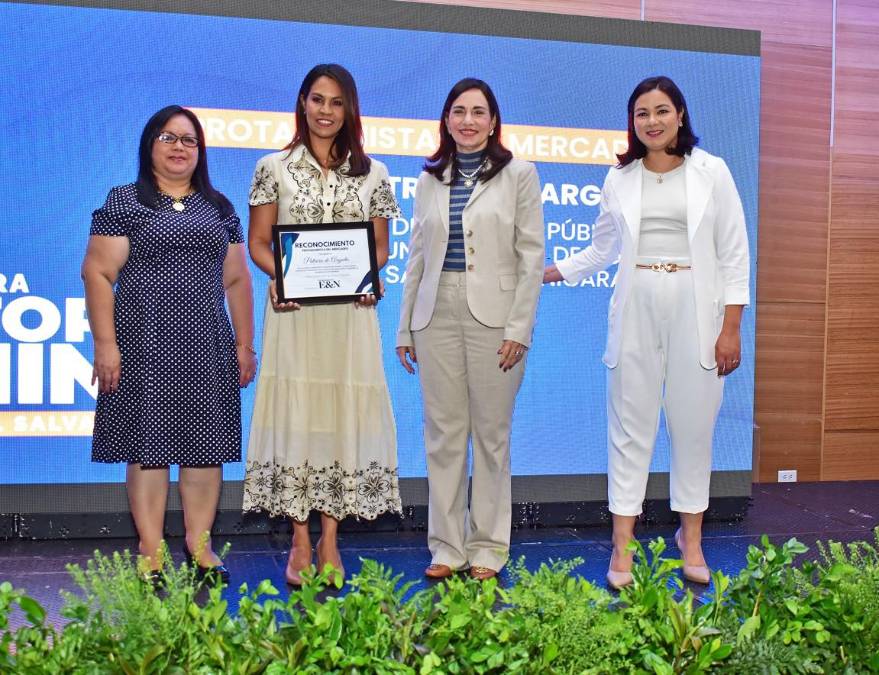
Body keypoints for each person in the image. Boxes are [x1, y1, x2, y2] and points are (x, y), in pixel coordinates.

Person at [544, 76, 750, 589]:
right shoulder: (621, 178)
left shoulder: (713, 172)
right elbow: (603, 249)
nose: (652, 121)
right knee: (630, 431)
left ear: (680, 114)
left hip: (695, 310)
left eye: (661, 110)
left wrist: (731, 329)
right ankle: (621, 547)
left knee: (692, 431)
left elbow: (735, 255)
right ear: (632, 122)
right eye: (641, 113)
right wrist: (553, 270)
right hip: (635, 305)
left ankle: (692, 540)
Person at [82, 104, 256, 585]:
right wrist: (105, 343)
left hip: (207, 344)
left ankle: (200, 547)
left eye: (189, 140)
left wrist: (245, 345)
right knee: (148, 450)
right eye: (168, 137)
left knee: (205, 450)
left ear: (200, 151)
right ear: (149, 146)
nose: (180, 147)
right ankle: (150, 549)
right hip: (142, 343)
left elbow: (237, 280)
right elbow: (97, 272)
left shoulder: (218, 207)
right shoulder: (126, 202)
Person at [243, 64, 402, 586]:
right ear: (303, 103)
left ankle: (331, 538)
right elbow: (260, 246)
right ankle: (300, 538)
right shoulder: (273, 167)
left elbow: (379, 247)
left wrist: (367, 276)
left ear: (349, 109)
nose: (326, 111)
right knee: (299, 415)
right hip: (294, 315)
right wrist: (283, 279)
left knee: (340, 418)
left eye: (336, 102)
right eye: (317, 100)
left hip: (350, 318)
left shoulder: (373, 172)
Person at [396, 78, 544, 581]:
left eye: (478, 112)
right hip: (436, 313)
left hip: (496, 318)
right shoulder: (430, 177)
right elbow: (416, 258)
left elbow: (531, 257)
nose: (468, 120)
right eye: (458, 111)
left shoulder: (519, 174)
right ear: (446, 120)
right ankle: (446, 547)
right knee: (443, 436)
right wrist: (403, 327)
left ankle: (487, 548)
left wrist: (519, 328)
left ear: (494, 121)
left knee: (491, 437)